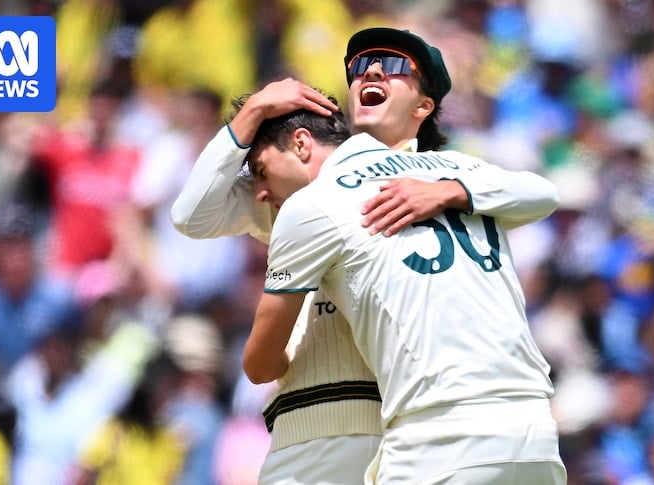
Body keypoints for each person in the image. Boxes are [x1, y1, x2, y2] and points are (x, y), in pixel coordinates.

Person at [172, 27, 565, 484]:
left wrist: (447, 192)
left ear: (424, 107)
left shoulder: (444, 176)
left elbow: (541, 191)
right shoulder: (308, 195)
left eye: (394, 67)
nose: (371, 71)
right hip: (436, 421)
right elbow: (192, 216)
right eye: (358, 67)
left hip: (414, 428)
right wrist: (254, 109)